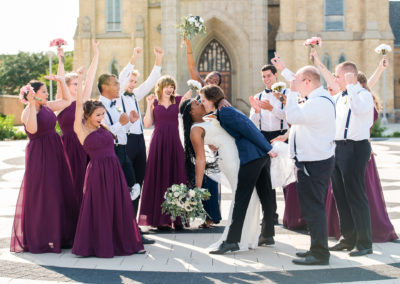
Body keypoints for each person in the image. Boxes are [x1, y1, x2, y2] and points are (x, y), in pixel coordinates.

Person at [71, 69, 144, 257]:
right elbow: (79, 104)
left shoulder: (103, 127)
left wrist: (127, 123)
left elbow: (116, 135)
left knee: (117, 206)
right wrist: (80, 79)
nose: (101, 118)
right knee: (100, 207)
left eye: (102, 115)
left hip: (114, 170)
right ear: (87, 115)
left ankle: (121, 241)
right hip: (97, 172)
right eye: (97, 115)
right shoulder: (82, 130)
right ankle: (99, 244)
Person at [198, 85, 276, 255]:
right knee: (265, 195)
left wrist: (268, 148)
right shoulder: (224, 111)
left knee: (241, 199)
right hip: (260, 155)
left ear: (211, 100)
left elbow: (249, 129)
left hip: (253, 156)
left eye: (203, 100)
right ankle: (268, 234)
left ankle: (232, 241)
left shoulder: (225, 112)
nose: (202, 103)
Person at [312, 51, 374, 257]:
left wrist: (353, 85)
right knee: (339, 194)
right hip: (337, 148)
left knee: (356, 194)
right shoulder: (339, 97)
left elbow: (357, 109)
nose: (334, 78)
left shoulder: (363, 95)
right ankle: (347, 238)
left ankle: (365, 243)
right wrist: (319, 63)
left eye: (338, 75)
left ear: (349, 76)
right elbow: (330, 81)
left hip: (355, 148)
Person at [180, 99, 261, 250]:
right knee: (243, 196)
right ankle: (233, 238)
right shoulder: (195, 129)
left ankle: (246, 238)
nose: (201, 103)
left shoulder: (209, 119)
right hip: (230, 161)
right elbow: (200, 158)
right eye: (196, 104)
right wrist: (197, 188)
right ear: (191, 112)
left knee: (251, 195)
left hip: (238, 155)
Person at [11, 76, 78, 253]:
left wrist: (61, 81)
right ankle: (42, 238)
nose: (47, 94)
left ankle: (59, 235)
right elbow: (32, 129)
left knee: (58, 191)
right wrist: (32, 104)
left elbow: (66, 101)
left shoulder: (47, 106)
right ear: (33, 94)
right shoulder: (27, 111)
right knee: (44, 194)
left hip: (55, 151)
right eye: (43, 91)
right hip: (39, 156)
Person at [285, 66, 336, 266]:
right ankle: (315, 248)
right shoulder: (316, 100)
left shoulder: (319, 102)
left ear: (307, 81)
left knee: (314, 208)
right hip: (311, 161)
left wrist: (290, 92)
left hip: (314, 163)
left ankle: (320, 253)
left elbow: (292, 117)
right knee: (311, 208)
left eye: (298, 81)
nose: (296, 85)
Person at [97, 73, 155, 245]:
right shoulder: (99, 106)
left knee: (134, 187)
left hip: (123, 150)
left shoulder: (116, 105)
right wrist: (122, 124)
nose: (119, 87)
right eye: (116, 84)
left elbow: (120, 129)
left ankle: (131, 229)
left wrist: (129, 122)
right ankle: (117, 232)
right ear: (105, 87)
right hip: (111, 153)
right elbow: (104, 134)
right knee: (117, 192)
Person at [138, 76, 192, 230]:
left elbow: (192, 101)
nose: (170, 89)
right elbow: (147, 123)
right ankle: (160, 219)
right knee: (157, 177)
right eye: (167, 86)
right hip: (158, 144)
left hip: (174, 142)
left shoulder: (178, 100)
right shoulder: (153, 102)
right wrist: (148, 105)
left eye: (172, 87)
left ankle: (177, 218)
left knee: (176, 176)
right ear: (160, 88)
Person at [117, 46, 163, 214]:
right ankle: (123, 223)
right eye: (131, 81)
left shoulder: (135, 95)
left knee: (138, 181)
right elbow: (122, 77)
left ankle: (134, 225)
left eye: (135, 82)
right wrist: (133, 57)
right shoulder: (119, 94)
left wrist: (158, 59)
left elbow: (151, 82)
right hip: (126, 142)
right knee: (126, 182)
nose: (133, 84)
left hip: (139, 141)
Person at [56, 40, 99, 207]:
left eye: (78, 83)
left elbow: (90, 77)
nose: (79, 85)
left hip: (84, 146)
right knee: (69, 185)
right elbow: (60, 79)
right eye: (75, 84)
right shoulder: (63, 102)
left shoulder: (83, 100)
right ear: (66, 86)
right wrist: (61, 59)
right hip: (67, 147)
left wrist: (96, 54)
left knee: (85, 185)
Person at [249, 64, 289, 224]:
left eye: (269, 76)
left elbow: (290, 117)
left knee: (285, 175)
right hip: (264, 138)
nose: (266, 79)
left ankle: (291, 216)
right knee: (267, 178)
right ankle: (270, 215)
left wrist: (272, 108)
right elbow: (252, 123)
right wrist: (257, 111)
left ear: (275, 76)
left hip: (282, 136)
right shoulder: (258, 96)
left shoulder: (286, 95)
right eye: (264, 77)